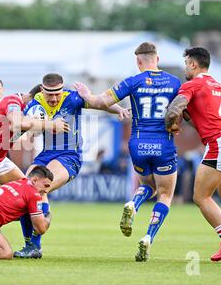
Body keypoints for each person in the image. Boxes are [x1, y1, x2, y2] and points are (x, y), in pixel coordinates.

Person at [74, 42, 181, 262]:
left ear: (138, 61)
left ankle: (133, 203)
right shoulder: (175, 82)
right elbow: (183, 110)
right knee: (165, 194)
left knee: (147, 185)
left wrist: (86, 94)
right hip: (163, 143)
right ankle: (148, 237)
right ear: (157, 59)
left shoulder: (133, 81)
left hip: (138, 143)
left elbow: (101, 101)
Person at [14, 73, 129, 259]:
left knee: (38, 186)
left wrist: (117, 110)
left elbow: (99, 103)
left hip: (70, 156)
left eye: (57, 94)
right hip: (45, 155)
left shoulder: (72, 98)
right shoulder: (36, 103)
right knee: (23, 191)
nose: (53, 98)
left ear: (62, 90)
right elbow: (23, 125)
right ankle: (31, 244)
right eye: (49, 94)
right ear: (42, 90)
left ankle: (38, 234)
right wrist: (34, 129)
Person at [165, 47, 221, 262]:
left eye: (186, 63)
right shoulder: (218, 86)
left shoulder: (192, 84)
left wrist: (171, 125)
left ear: (193, 64)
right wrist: (186, 117)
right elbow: (201, 118)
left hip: (220, 143)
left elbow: (174, 110)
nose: (185, 67)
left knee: (201, 196)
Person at [0, 85, 70, 203]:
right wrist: (50, 124)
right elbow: (16, 123)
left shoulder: (31, 111)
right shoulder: (13, 101)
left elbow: (22, 129)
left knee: (29, 193)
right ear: (39, 95)